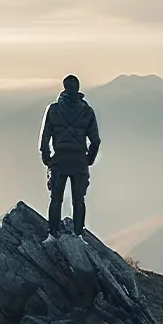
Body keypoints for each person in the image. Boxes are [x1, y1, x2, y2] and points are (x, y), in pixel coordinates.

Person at [39, 74, 101, 241]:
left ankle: (53, 234)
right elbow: (95, 140)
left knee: (56, 199)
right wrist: (89, 159)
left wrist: (47, 158)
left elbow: (45, 137)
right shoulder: (87, 111)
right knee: (78, 200)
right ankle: (78, 235)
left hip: (59, 160)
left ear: (64, 87)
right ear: (78, 88)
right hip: (79, 161)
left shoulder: (53, 109)